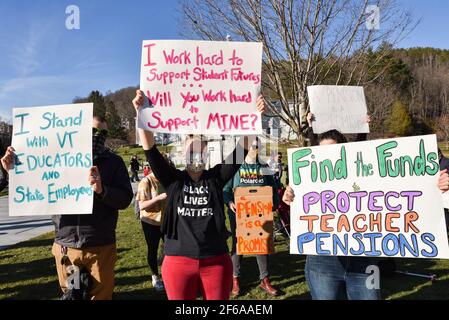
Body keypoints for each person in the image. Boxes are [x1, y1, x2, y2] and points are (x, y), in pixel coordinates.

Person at [283, 127, 449, 300]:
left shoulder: (369, 178)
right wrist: (291, 199)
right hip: (322, 263)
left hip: (366, 262)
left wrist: (435, 187)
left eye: (333, 152)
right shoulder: (309, 180)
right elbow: (302, 207)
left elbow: (405, 193)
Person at [132, 89, 266, 300]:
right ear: (182, 155)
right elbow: (150, 150)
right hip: (177, 261)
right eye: (190, 151)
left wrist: (255, 118)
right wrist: (142, 114)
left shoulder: (216, 177)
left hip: (216, 261)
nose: (195, 155)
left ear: (207, 153)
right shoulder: (173, 179)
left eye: (200, 150)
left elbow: (241, 150)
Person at [3, 115, 134, 300]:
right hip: (66, 246)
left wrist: (102, 190)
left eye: (103, 132)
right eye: (93, 131)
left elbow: (125, 199)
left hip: (100, 245)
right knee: (71, 294)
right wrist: (14, 171)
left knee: (101, 295)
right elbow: (35, 184)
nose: (98, 136)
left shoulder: (114, 162)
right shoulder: (56, 159)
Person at [223, 139, 280, 297]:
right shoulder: (235, 167)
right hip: (239, 212)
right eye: (253, 146)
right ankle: (235, 279)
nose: (256, 149)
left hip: (260, 211)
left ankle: (265, 279)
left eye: (258, 146)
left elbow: (273, 188)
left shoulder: (264, 166)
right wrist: (229, 202)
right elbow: (226, 189)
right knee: (238, 244)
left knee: (261, 243)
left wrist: (273, 204)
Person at [136, 160, 172, 292]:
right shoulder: (146, 181)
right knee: (153, 249)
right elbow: (142, 206)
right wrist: (158, 198)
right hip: (150, 222)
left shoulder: (165, 179)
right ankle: (155, 277)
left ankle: (168, 275)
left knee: (171, 249)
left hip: (166, 221)